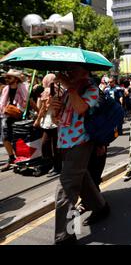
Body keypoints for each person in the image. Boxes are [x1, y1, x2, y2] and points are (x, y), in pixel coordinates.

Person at [50, 65, 109, 245]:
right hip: (64, 143)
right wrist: (53, 109)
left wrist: (69, 86)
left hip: (81, 143)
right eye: (67, 71)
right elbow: (55, 120)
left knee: (65, 190)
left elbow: (81, 108)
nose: (68, 73)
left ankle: (65, 236)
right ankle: (101, 207)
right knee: (82, 179)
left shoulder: (91, 89)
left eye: (73, 70)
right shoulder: (68, 90)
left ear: (85, 72)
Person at [34, 73, 62, 177]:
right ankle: (55, 165)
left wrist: (37, 120)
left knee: (47, 145)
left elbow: (43, 108)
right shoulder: (60, 90)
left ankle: (56, 166)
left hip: (50, 121)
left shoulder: (48, 91)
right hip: (56, 121)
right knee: (53, 145)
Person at [0, 69, 29, 172]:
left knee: (18, 139)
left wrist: (19, 109)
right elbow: (2, 104)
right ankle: (11, 158)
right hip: (7, 115)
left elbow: (26, 101)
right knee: (5, 137)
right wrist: (5, 109)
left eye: (9, 77)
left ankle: (21, 159)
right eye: (6, 77)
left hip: (19, 115)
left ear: (16, 79)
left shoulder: (23, 87)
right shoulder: (5, 89)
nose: (6, 79)